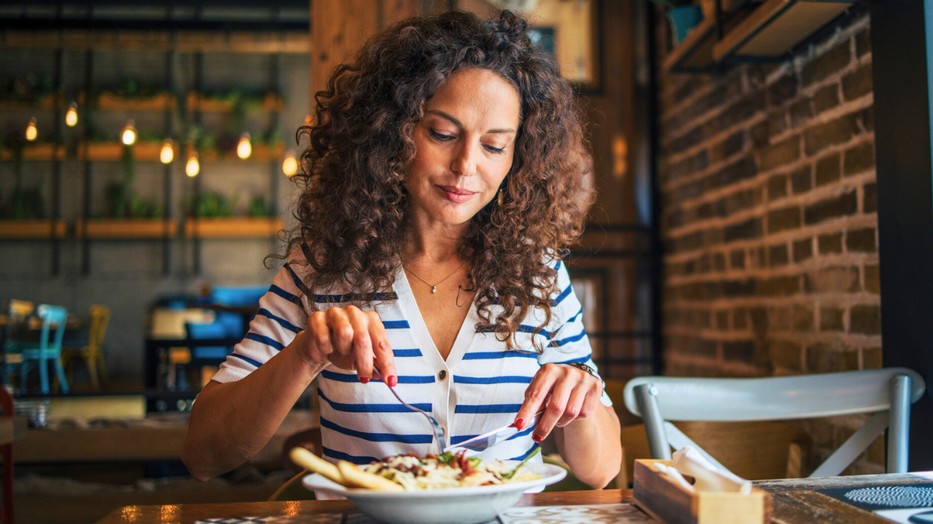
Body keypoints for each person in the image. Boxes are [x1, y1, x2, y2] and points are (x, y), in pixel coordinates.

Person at [182, 8, 622, 489]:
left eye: (495, 146)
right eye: (442, 134)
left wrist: (580, 396)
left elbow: (601, 470)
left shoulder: (538, 274)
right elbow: (204, 453)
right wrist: (307, 352)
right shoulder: (324, 267)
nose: (466, 165)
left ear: (520, 157)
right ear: (392, 130)